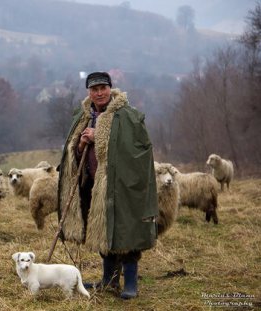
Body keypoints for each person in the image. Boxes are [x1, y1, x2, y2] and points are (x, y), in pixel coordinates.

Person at [57, 71, 158, 299]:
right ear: (89, 92)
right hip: (93, 185)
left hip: (122, 186)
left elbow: (136, 152)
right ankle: (109, 280)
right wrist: (82, 144)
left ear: (111, 89)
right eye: (94, 89)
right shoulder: (83, 116)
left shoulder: (127, 116)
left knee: (126, 232)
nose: (99, 93)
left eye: (103, 88)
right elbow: (72, 155)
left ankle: (130, 283)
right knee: (102, 230)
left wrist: (99, 136)